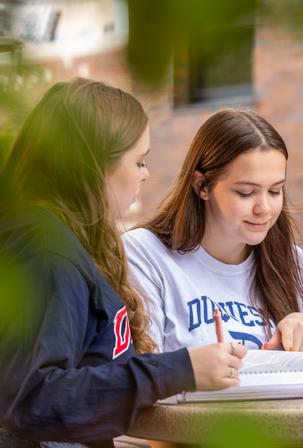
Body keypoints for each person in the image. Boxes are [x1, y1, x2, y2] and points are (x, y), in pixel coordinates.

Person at [0, 78, 247, 446]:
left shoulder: (60, 239)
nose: (145, 173)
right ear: (93, 164)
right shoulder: (46, 250)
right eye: (139, 160)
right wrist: (179, 369)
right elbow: (33, 399)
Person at [122, 109, 303, 354]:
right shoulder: (143, 252)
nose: (264, 208)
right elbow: (143, 376)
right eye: (246, 192)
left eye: (275, 191)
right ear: (202, 186)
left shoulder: (290, 259)